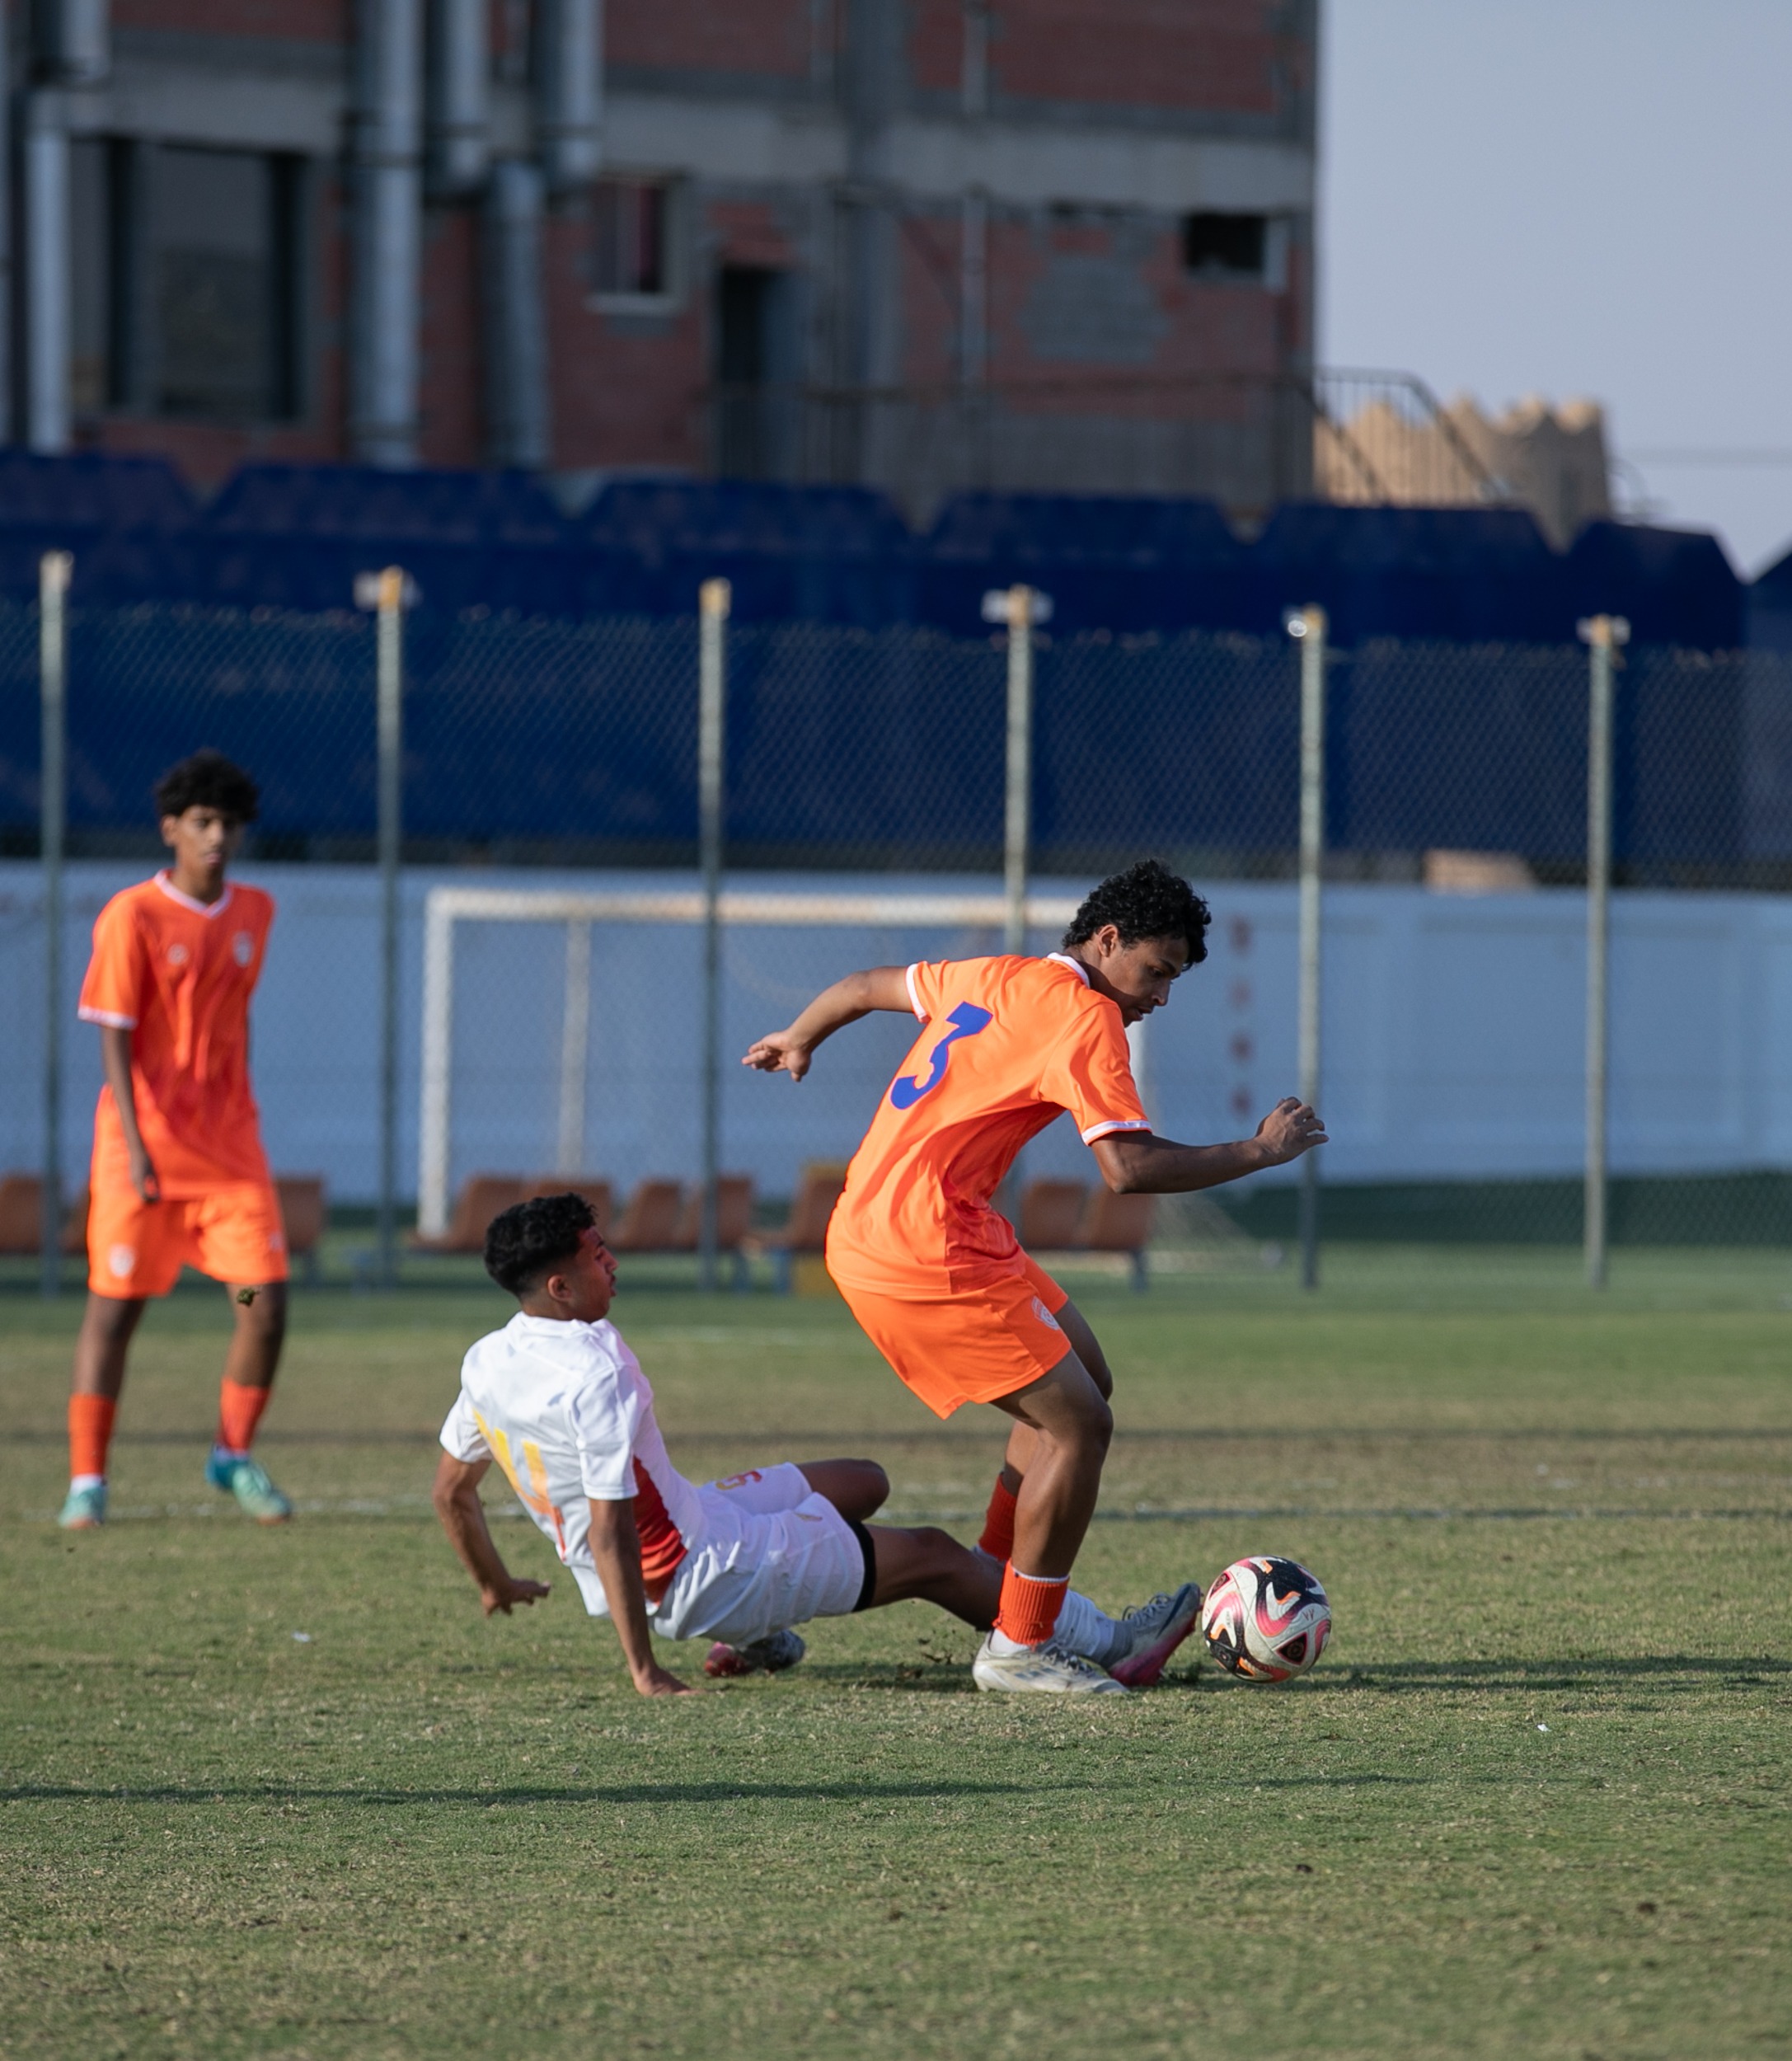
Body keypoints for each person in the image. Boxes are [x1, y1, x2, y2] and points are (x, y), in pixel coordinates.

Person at [742, 858, 1327, 1694]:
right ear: (1107, 939)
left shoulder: (995, 973)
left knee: (1086, 1377)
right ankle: (1018, 1648)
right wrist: (1258, 1151)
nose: (1157, 997)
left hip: (918, 1221)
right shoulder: (1085, 1018)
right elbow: (1125, 1169)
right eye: (1154, 971)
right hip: (920, 1243)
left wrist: (801, 1033)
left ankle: (996, 1581)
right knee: (1077, 1428)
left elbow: (863, 984)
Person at [432, 1191, 1204, 1695]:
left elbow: (452, 1493)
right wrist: (644, 1670)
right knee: (934, 1554)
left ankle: (754, 1637)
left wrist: (494, 1582)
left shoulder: (488, 1358)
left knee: (863, 1482)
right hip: (706, 1576)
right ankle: (1099, 1642)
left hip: (697, 1527)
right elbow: (608, 1529)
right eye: (597, 1256)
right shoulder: (593, 1370)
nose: (614, 1262)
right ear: (559, 1287)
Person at [59, 751, 293, 1530]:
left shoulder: (255, 912)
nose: (217, 835)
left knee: (260, 1301)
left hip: (229, 1162)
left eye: (228, 823)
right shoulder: (133, 916)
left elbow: (233, 1020)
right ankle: (88, 1480)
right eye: (202, 823)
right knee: (115, 1312)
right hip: (142, 1153)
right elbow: (115, 1040)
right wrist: (139, 1143)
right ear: (172, 829)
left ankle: (232, 1454)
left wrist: (235, 1110)